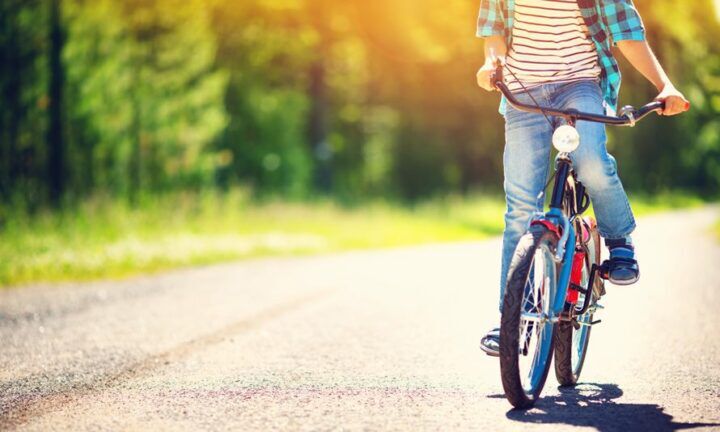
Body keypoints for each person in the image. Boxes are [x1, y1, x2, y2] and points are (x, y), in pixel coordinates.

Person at [475, 0, 690, 356]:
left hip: (578, 85)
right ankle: (512, 323)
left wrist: (664, 85)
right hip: (521, 90)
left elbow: (626, 34)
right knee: (520, 208)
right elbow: (494, 30)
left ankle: (618, 239)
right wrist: (490, 62)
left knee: (590, 160)